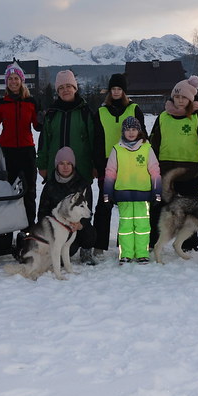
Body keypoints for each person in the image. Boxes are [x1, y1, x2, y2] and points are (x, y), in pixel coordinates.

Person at [36, 70, 103, 263]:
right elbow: (44, 142)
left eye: (69, 86)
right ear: (58, 90)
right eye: (61, 87)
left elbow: (93, 140)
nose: (65, 90)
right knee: (54, 209)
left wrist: (94, 165)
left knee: (83, 209)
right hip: (56, 170)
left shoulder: (84, 112)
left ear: (75, 88)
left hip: (80, 168)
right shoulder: (52, 113)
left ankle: (86, 246)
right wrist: (42, 164)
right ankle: (51, 243)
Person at [149, 75, 198, 250]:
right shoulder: (163, 117)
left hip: (191, 172)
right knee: (160, 207)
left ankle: (189, 243)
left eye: (184, 98)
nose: (180, 101)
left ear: (191, 99)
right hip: (165, 170)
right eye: (177, 97)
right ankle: (154, 241)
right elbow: (154, 143)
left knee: (188, 210)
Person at [94, 73, 147, 259]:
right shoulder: (101, 112)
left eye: (119, 89)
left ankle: (124, 243)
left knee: (128, 205)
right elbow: (97, 140)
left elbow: (143, 136)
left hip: (130, 164)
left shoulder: (134, 109)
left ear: (124, 91)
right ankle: (99, 244)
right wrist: (97, 165)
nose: (116, 92)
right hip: (107, 163)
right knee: (104, 205)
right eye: (113, 89)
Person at [0, 62, 41, 227]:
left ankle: (29, 226)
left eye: (16, 78)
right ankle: (7, 226)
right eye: (10, 78)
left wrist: (43, 117)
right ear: (6, 82)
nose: (13, 81)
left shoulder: (31, 102)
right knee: (6, 191)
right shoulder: (1, 103)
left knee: (29, 191)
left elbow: (38, 126)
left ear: (21, 81)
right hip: (6, 151)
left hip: (27, 151)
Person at [102, 116, 161, 264]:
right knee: (125, 226)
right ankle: (126, 253)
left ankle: (142, 253)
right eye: (127, 129)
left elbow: (155, 171)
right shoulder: (117, 149)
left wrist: (157, 191)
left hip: (143, 194)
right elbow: (110, 173)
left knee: (143, 226)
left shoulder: (147, 148)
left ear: (139, 131)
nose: (131, 132)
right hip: (124, 194)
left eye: (134, 129)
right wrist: (107, 194)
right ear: (123, 131)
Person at [37, 146, 95, 258]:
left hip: (76, 226)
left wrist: (80, 225)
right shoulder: (50, 185)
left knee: (90, 233)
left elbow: (88, 211)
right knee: (62, 259)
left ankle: (86, 251)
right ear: (56, 165)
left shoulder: (82, 184)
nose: (65, 167)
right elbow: (42, 212)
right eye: (61, 163)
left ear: (73, 165)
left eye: (68, 163)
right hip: (57, 228)